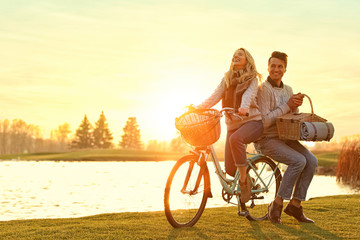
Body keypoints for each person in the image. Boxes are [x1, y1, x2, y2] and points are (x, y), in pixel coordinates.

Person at [255, 51, 317, 224]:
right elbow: (265, 121)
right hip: (266, 139)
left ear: (285, 69)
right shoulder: (263, 89)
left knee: (311, 161)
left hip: (285, 137)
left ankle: (295, 206)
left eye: (280, 66)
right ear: (268, 67)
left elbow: (291, 116)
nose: (276, 69)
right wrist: (287, 105)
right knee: (298, 161)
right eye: (273, 65)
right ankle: (276, 205)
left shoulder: (288, 89)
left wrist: (295, 106)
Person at [196, 48, 264, 203]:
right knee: (231, 169)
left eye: (240, 54)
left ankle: (244, 183)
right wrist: (198, 107)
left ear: (247, 59)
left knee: (236, 139)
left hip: (252, 121)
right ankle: (251, 181)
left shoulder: (252, 78)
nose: (236, 56)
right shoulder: (227, 78)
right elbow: (215, 96)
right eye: (234, 54)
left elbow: (249, 94)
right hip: (232, 126)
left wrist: (244, 108)